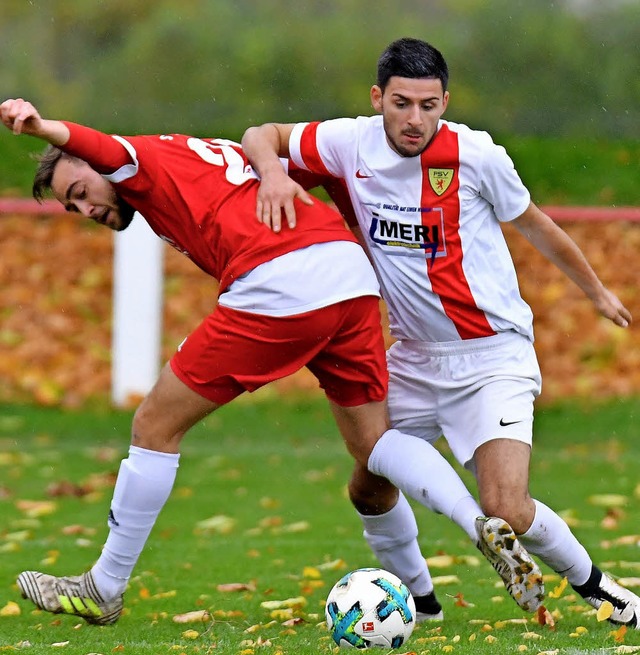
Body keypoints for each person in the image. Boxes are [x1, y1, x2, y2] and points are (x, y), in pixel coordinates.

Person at [0, 96, 451, 625]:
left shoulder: (135, 160)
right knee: (373, 453)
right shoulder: (195, 153)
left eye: (80, 193)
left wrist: (41, 127)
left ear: (103, 170)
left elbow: (96, 143)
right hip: (347, 276)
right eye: (71, 208)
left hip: (279, 284)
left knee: (153, 424)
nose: (85, 211)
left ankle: (104, 586)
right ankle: (432, 590)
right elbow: (314, 166)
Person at [241, 37, 640, 628]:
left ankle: (604, 592)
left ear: (445, 102)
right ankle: (419, 604)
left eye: (429, 105)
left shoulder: (476, 156)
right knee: (368, 488)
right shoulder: (349, 141)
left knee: (506, 507)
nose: (414, 119)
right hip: (415, 359)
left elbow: (538, 226)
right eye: (401, 103)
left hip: (492, 357)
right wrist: (273, 175)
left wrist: (596, 291)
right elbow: (260, 135)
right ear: (378, 98)